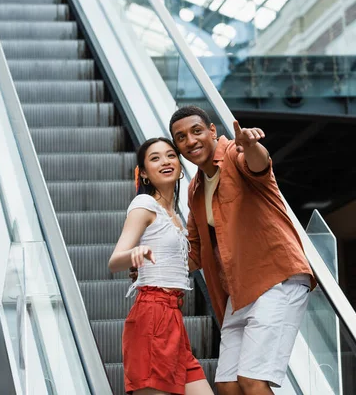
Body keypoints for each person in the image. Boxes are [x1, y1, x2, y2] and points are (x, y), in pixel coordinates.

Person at [170, 106, 317, 395]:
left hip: (275, 279)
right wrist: (151, 264)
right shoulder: (195, 188)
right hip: (237, 292)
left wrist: (251, 145)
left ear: (212, 131)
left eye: (196, 131)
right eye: (181, 137)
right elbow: (195, 252)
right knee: (227, 385)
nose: (190, 141)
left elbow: (258, 165)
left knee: (252, 381)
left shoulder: (234, 155)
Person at [108, 137, 214, 395]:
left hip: (174, 317)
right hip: (151, 316)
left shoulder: (176, 214)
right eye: (155, 158)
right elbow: (114, 261)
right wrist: (137, 252)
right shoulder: (144, 206)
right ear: (143, 173)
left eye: (170, 155)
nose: (165, 161)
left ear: (179, 164)